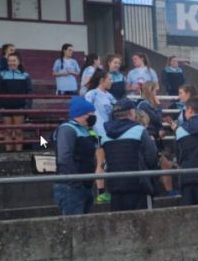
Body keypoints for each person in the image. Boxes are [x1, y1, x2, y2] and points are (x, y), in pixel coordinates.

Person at [102, 98, 158, 211]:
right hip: (139, 186)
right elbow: (151, 158)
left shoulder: (105, 134)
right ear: (132, 112)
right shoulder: (139, 130)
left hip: (115, 187)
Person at [54, 97, 98, 216]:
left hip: (85, 185)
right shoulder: (67, 129)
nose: (94, 116)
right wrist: (76, 181)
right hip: (71, 187)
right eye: (92, 113)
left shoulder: (86, 130)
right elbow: (64, 158)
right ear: (84, 114)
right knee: (74, 226)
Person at [137, 81, 176, 196]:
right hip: (150, 139)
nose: (157, 93)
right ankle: (168, 192)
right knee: (165, 165)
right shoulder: (144, 104)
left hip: (155, 138)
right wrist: (158, 106)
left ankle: (166, 191)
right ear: (150, 91)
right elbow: (157, 118)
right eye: (156, 91)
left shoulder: (147, 104)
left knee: (163, 165)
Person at [85, 69, 116, 204]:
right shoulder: (92, 94)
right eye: (109, 79)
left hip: (109, 133)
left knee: (110, 162)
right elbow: (86, 111)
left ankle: (110, 190)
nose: (111, 81)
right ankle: (101, 192)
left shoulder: (110, 96)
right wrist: (90, 129)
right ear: (102, 80)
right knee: (101, 161)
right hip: (97, 133)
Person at [0, 52, 33, 152]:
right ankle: (9, 153)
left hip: (19, 106)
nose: (12, 63)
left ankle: (19, 153)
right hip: (5, 106)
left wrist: (28, 107)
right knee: (8, 131)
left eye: (14, 61)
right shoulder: (2, 75)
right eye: (10, 61)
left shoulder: (25, 75)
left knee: (18, 131)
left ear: (19, 62)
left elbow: (30, 92)